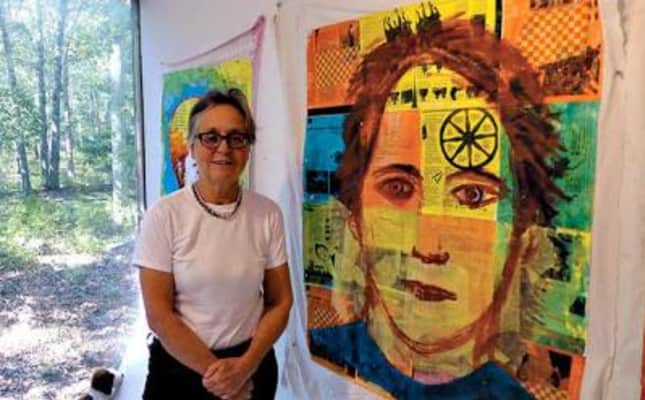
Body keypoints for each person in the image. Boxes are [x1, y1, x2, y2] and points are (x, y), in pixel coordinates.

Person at [308, 10, 573, 400]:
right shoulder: (322, 357)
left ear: (525, 240)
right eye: (398, 187)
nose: (428, 247)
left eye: (472, 196)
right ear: (355, 221)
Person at [133, 88, 293, 400]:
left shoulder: (267, 214)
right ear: (192, 147)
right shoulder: (164, 215)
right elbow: (159, 315)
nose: (224, 148)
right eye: (211, 137)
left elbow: (280, 301)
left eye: (237, 138)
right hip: (180, 369)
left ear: (247, 148)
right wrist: (224, 379)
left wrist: (245, 367)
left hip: (252, 365)